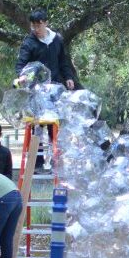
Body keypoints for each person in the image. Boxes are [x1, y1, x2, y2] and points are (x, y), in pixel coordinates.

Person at [15, 9, 81, 171]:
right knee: (36, 126)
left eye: (39, 25)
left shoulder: (56, 40)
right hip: (36, 91)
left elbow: (63, 62)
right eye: (33, 26)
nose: (36, 29)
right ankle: (36, 164)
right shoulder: (29, 42)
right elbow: (21, 64)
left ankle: (55, 162)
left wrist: (69, 78)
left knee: (54, 126)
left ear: (45, 23)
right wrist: (21, 77)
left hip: (56, 88)